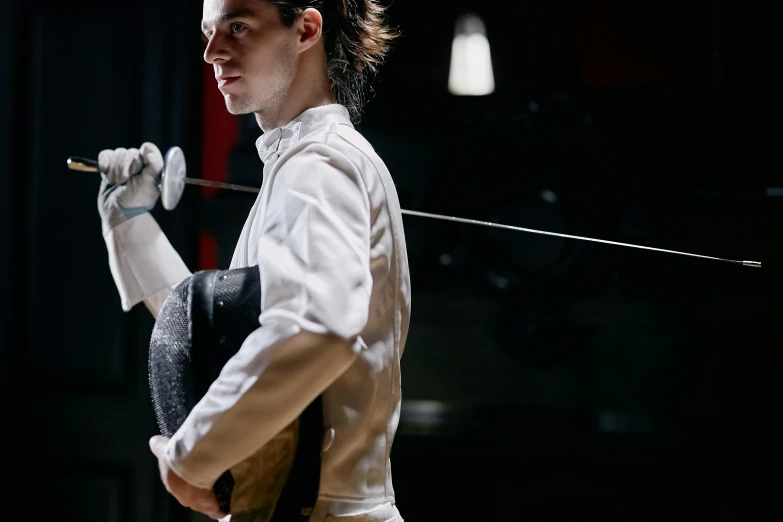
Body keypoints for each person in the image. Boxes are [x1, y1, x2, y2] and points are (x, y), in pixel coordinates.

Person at [96, 0, 410, 520]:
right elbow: (223, 326)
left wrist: (192, 457)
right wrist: (131, 225)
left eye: (237, 27)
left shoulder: (318, 165)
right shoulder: (298, 162)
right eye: (208, 32)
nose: (213, 52)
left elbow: (315, 326)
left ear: (306, 30)